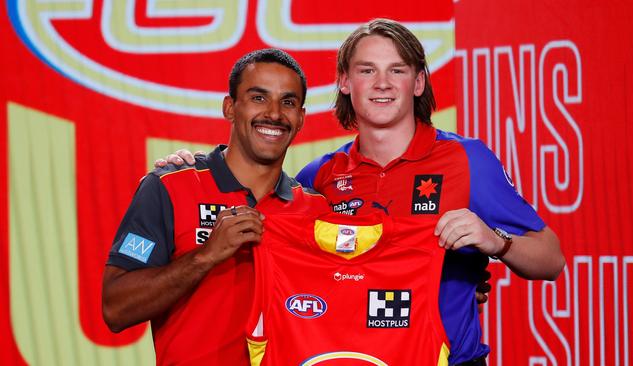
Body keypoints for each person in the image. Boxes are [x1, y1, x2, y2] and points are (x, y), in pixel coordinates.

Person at [157, 18, 565, 366]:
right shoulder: (320, 176)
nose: (382, 83)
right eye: (367, 70)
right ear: (345, 82)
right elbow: (258, 204)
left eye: (398, 70)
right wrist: (197, 170)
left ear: (419, 81)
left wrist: (496, 242)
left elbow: (551, 260)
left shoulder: (466, 159)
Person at [102, 49, 328, 365]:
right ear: (230, 107)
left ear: (301, 117)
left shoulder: (316, 210)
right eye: (258, 98)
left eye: (287, 102)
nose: (274, 114)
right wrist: (206, 255)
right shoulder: (170, 187)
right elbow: (116, 309)